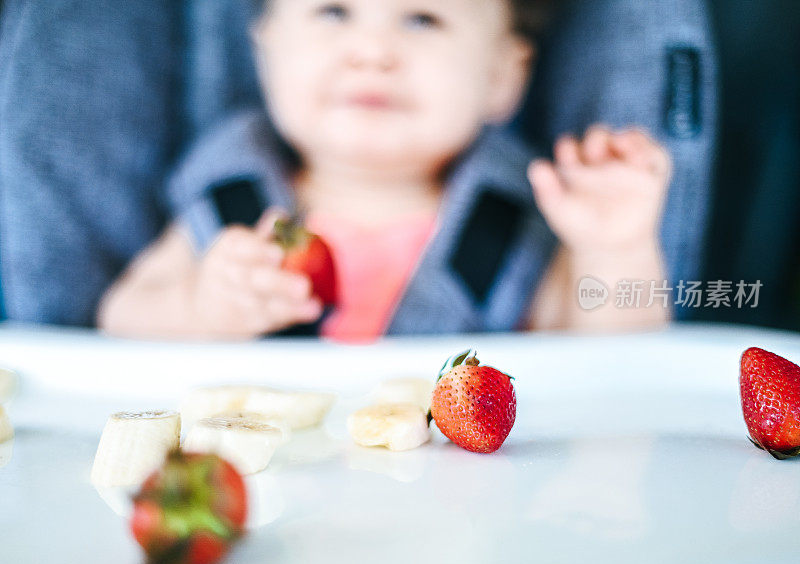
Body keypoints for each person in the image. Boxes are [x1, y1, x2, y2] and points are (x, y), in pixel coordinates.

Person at [97, 0, 672, 341]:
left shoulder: (510, 229)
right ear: (265, 54)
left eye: (422, 19)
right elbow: (119, 319)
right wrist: (202, 309)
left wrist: (615, 250)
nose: (372, 51)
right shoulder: (231, 211)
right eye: (334, 11)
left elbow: (615, 358)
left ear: (502, 77)